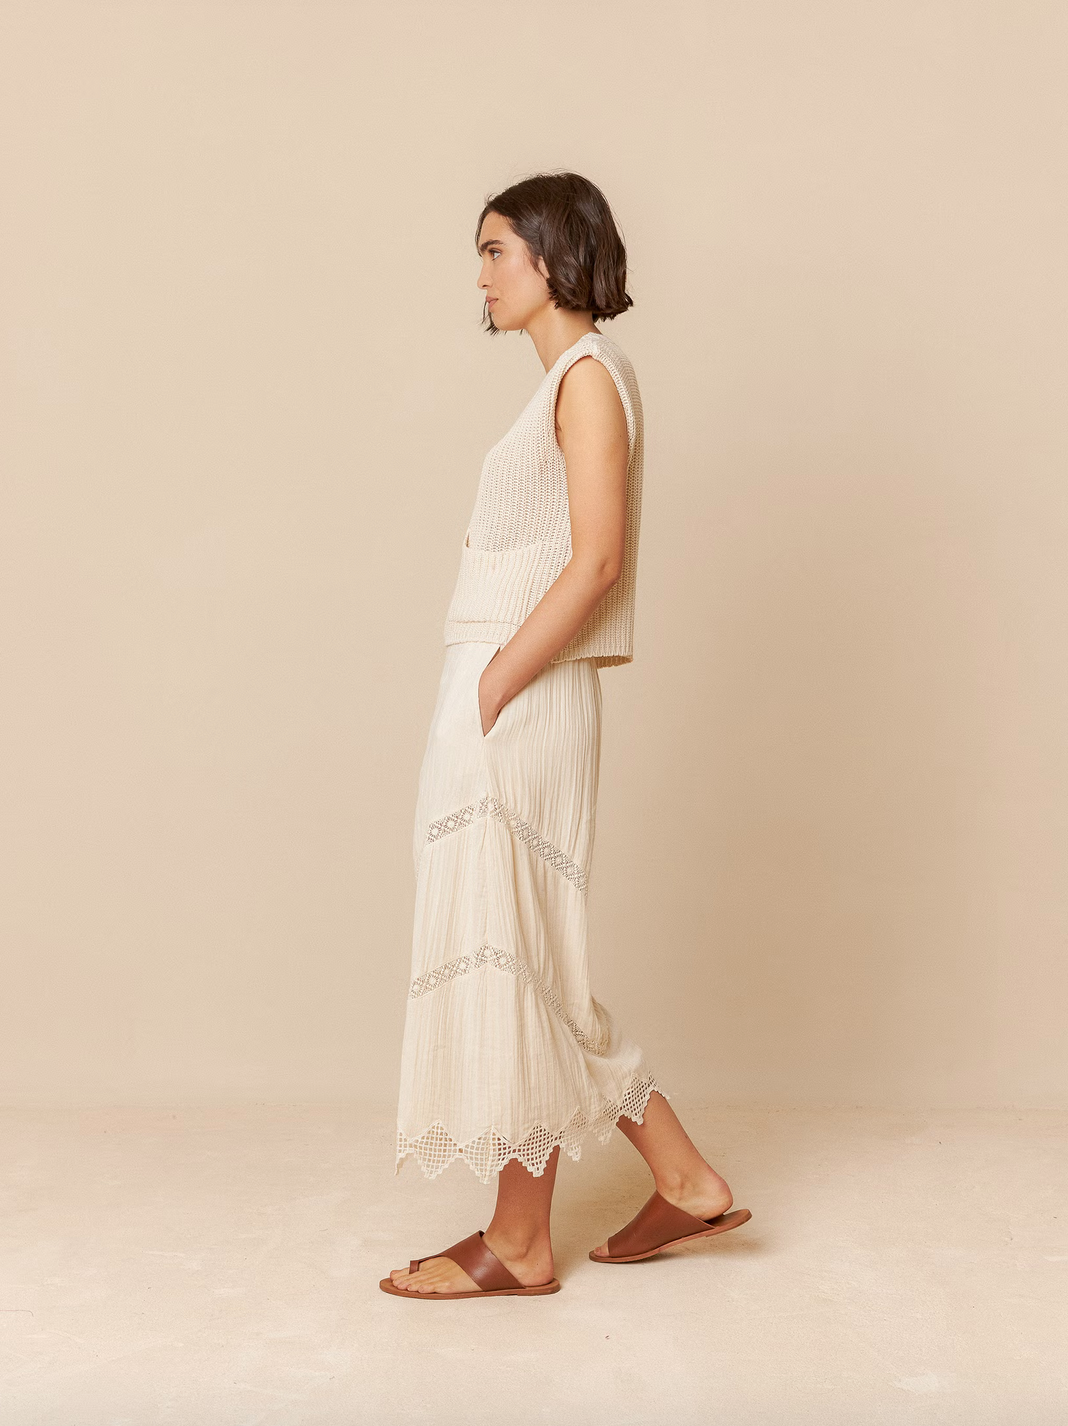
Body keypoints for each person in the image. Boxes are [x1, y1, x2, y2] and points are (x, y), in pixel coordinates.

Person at [381, 172, 750, 1299]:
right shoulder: (569, 382)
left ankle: (528, 1236)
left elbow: (594, 561)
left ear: (551, 256)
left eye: (497, 251)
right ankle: (657, 1183)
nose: (482, 275)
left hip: (520, 693)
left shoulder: (588, 380)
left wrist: (493, 681)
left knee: (519, 950)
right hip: (505, 689)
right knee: (526, 953)